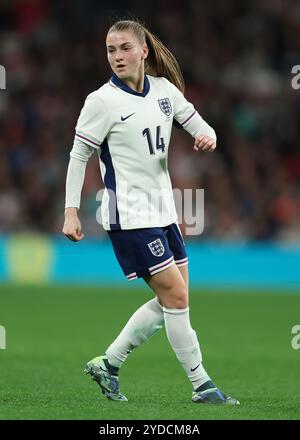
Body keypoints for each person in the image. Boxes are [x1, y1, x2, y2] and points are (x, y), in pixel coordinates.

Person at [62, 19, 239, 405]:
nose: (117, 56)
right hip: (129, 216)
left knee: (173, 300)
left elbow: (197, 122)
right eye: (111, 50)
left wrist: (207, 136)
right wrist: (71, 212)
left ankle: (109, 364)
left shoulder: (163, 91)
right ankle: (202, 385)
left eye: (124, 48)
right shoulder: (101, 101)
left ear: (143, 50)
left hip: (163, 213)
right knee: (176, 296)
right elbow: (79, 156)